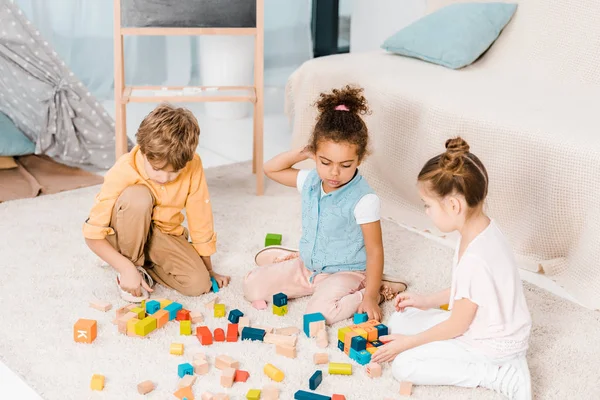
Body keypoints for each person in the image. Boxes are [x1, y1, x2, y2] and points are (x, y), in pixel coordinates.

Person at [372, 137, 532, 400]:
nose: (426, 212)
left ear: (454, 205)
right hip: (487, 325)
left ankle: (497, 374)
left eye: (428, 205)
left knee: (404, 365)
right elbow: (467, 292)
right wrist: (426, 301)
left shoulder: (475, 259)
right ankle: (494, 363)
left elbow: (457, 325)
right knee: (400, 320)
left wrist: (409, 344)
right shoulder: (483, 229)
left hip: (488, 345)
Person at [243, 85, 407, 323]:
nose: (334, 172)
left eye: (346, 165)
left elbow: (374, 250)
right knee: (252, 286)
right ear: (315, 155)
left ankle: (377, 287)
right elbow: (270, 169)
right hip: (308, 267)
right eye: (325, 161)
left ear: (359, 159)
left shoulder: (364, 199)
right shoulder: (311, 180)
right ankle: (296, 261)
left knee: (319, 315)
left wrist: (369, 297)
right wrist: (304, 152)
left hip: (346, 271)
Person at [83, 103, 230, 302]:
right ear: (143, 152)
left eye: (173, 172)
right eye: (157, 169)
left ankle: (143, 265)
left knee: (199, 284)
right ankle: (129, 263)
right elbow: (92, 234)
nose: (164, 177)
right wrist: (126, 268)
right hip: (123, 229)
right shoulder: (124, 168)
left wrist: (209, 270)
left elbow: (200, 217)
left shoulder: (193, 166)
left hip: (163, 233)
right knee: (138, 196)